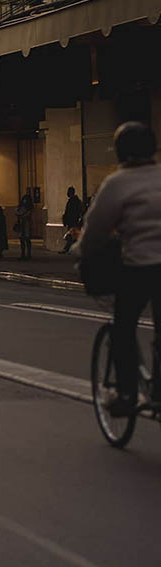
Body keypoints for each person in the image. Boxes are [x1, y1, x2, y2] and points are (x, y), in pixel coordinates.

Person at [76, 121, 161, 418]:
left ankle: (126, 394)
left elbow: (96, 229)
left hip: (140, 267)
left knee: (124, 329)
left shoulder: (118, 183)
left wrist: (81, 251)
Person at [60, 186, 84, 253]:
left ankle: (68, 248)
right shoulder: (75, 201)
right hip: (73, 221)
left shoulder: (73, 201)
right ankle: (68, 248)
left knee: (72, 235)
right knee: (72, 235)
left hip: (73, 221)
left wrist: (66, 219)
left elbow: (70, 212)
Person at [15, 189, 34, 260]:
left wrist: (20, 215)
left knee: (25, 238)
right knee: (24, 239)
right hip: (24, 223)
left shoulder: (23, 205)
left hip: (25, 223)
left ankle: (25, 254)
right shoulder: (27, 205)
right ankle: (25, 254)